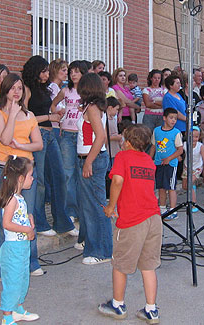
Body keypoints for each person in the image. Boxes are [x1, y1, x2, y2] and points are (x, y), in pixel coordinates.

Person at [99, 124, 162, 324]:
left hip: (132, 220)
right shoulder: (148, 161)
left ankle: (118, 304)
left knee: (120, 263)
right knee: (148, 265)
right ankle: (151, 309)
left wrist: (111, 206)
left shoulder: (122, 157)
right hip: (153, 217)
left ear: (127, 142)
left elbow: (117, 181)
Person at [0, 73, 44, 279]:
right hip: (3, 170)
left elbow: (38, 144)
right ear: (5, 89)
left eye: (19, 88)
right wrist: (12, 114)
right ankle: (1, 268)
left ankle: (31, 262)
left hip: (26, 170)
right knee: (1, 219)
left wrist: (22, 146)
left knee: (28, 215)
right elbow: (4, 138)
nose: (16, 91)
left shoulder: (29, 115)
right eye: (12, 87)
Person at [23, 55, 77, 238]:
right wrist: (49, 117)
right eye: (44, 71)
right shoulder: (27, 89)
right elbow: (25, 117)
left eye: (47, 71)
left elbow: (48, 109)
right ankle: (39, 221)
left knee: (59, 177)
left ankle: (62, 221)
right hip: (37, 133)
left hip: (51, 135)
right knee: (39, 183)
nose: (47, 74)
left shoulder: (45, 89)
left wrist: (55, 112)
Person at [75, 72, 112, 265]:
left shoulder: (92, 108)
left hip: (92, 159)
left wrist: (88, 162)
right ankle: (94, 246)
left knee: (95, 206)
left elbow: (100, 136)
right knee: (90, 205)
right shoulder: (93, 107)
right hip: (90, 158)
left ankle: (102, 250)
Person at [0, 156, 40, 325]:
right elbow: (7, 224)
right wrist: (27, 229)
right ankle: (7, 316)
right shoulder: (11, 200)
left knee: (22, 279)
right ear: (21, 179)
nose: (33, 179)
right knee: (13, 282)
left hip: (22, 247)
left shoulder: (20, 198)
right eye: (30, 176)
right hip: (13, 248)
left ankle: (18, 308)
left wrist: (29, 219)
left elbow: (19, 218)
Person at [50, 60, 87, 236]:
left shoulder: (87, 92)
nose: (73, 74)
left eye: (77, 72)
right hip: (67, 134)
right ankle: (71, 211)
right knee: (68, 173)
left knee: (82, 173)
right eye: (71, 71)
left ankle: (82, 208)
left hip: (82, 135)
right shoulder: (66, 91)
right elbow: (54, 105)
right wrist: (58, 112)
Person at [149, 108, 183, 220]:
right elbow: (154, 146)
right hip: (159, 163)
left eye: (175, 118)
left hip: (171, 164)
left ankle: (173, 210)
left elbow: (180, 150)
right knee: (161, 187)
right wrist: (150, 159)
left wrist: (169, 158)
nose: (173, 120)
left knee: (171, 187)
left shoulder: (176, 133)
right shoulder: (157, 131)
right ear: (164, 118)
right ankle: (162, 209)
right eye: (171, 118)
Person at [181, 126, 204, 211]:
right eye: (192, 136)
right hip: (187, 167)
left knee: (190, 183)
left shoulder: (200, 146)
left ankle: (193, 204)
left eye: (196, 137)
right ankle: (192, 190)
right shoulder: (185, 144)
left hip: (197, 168)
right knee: (184, 186)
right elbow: (178, 150)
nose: (194, 139)